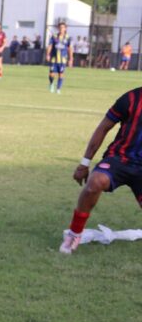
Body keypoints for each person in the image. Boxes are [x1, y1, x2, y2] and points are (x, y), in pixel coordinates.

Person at [60, 86, 142, 254]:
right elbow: (104, 127)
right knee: (95, 183)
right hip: (120, 159)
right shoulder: (131, 98)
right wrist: (84, 163)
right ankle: (75, 233)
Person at [47, 22, 73, 94]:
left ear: (65, 28)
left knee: (61, 74)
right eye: (60, 27)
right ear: (58, 28)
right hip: (54, 59)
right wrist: (48, 54)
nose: (61, 29)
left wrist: (71, 59)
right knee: (51, 74)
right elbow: (50, 46)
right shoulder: (54, 36)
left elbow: (70, 49)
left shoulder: (68, 38)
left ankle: (58, 89)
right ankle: (51, 84)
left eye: (63, 27)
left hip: (63, 60)